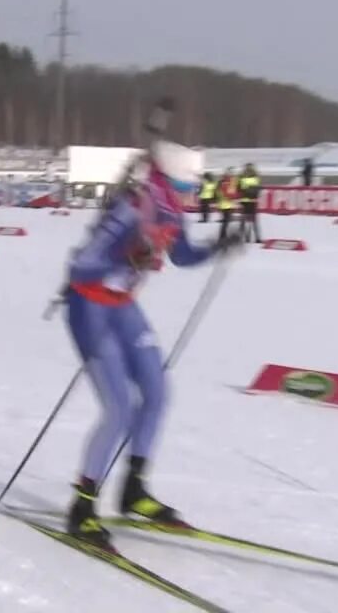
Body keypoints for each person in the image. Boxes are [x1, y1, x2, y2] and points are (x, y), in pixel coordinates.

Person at [62, 139, 242, 549]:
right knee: (120, 407)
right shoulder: (132, 205)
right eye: (191, 185)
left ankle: (133, 492)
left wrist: (216, 248)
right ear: (173, 179)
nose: (196, 193)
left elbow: (181, 255)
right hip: (89, 305)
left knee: (158, 393)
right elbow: (82, 264)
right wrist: (128, 257)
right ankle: (82, 507)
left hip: (123, 305)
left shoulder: (172, 209)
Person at [236, 163, 261, 243]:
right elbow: (257, 189)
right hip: (252, 201)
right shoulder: (255, 177)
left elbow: (238, 189)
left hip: (245, 200)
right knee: (253, 221)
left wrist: (244, 191)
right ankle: (256, 238)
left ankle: (242, 237)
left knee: (243, 220)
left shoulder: (241, 177)